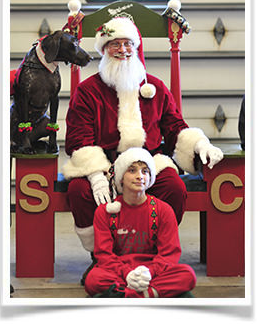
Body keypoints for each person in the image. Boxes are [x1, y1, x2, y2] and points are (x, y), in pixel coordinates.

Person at [62, 16, 223, 282]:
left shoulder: (156, 87)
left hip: (150, 164)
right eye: (115, 44)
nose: (122, 50)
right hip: (106, 166)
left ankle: (153, 255)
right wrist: (95, 174)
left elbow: (175, 129)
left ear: (136, 48)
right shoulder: (87, 91)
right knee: (79, 190)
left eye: (128, 44)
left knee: (174, 187)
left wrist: (200, 144)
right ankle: (101, 258)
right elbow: (78, 140)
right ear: (103, 49)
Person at [84, 147, 197, 298]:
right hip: (119, 272)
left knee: (187, 274)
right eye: (132, 170)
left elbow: (168, 254)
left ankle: (127, 295)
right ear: (120, 178)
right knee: (93, 279)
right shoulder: (105, 212)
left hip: (153, 272)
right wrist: (127, 273)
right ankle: (150, 294)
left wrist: (148, 273)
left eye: (145, 171)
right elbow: (104, 255)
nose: (140, 176)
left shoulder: (163, 210)